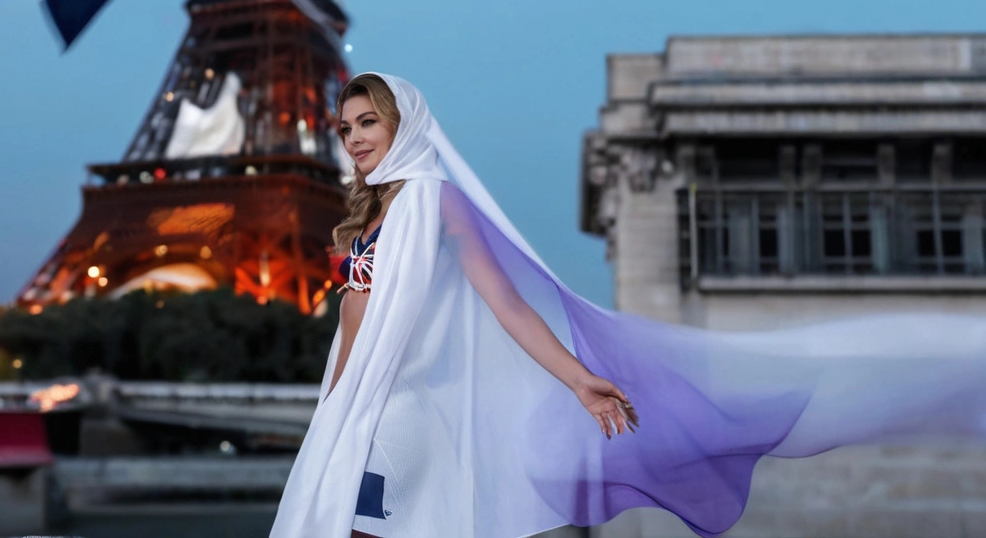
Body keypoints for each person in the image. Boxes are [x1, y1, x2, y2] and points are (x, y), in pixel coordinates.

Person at [271, 73, 986, 538]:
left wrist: (577, 376)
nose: (356, 137)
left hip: (403, 415)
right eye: (347, 126)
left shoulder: (437, 201)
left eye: (369, 121)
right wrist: (330, 414)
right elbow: (351, 329)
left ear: (406, 123)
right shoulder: (368, 221)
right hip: (356, 410)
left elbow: (508, 307)